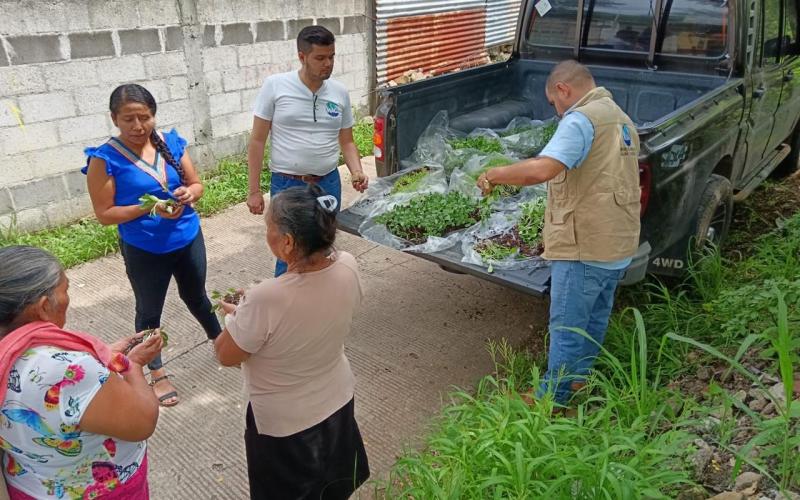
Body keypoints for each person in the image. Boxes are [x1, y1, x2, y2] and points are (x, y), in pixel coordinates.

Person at [477, 60, 641, 407]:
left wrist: (495, 173)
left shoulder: (581, 119)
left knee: (567, 325)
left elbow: (544, 169)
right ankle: (579, 381)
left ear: (563, 89)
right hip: (617, 242)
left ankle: (552, 398)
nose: (556, 109)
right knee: (593, 319)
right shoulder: (619, 117)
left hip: (586, 243)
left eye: (554, 101)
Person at [214, 185, 370, 499]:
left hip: (287, 427)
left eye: (268, 229)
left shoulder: (266, 298)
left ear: (287, 242)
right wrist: (253, 309)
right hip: (337, 401)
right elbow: (306, 308)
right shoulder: (348, 264)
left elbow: (226, 354)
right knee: (332, 489)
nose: (266, 235)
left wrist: (236, 317)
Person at [82, 84, 222, 407]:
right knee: (149, 311)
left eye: (144, 117)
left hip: (187, 237)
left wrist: (191, 194)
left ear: (154, 116)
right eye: (128, 119)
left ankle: (220, 341)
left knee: (197, 295)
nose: (137, 126)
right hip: (144, 248)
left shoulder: (171, 143)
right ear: (114, 118)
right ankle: (156, 373)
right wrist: (150, 207)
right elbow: (105, 214)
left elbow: (196, 183)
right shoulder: (104, 159)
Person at [0, 245, 163, 499]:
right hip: (96, 489)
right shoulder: (68, 370)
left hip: (29, 486)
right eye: (65, 290)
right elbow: (142, 422)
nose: (68, 298)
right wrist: (134, 366)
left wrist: (104, 358)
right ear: (43, 307)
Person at [246, 25, 369, 277]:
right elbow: (258, 140)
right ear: (302, 56)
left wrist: (357, 170)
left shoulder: (339, 92)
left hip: (328, 183)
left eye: (332, 56)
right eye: (320, 58)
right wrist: (254, 191)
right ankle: (285, 308)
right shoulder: (276, 87)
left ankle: (316, 306)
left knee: (321, 250)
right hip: (287, 184)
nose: (328, 64)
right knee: (288, 253)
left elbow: (347, 141)